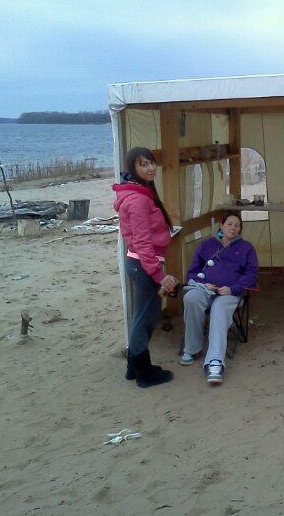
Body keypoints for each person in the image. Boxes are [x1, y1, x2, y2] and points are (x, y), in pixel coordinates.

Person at [113, 147, 178, 388]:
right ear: (133, 169)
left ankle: (134, 368)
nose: (150, 168)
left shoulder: (140, 192)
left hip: (141, 263)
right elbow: (142, 242)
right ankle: (144, 373)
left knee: (143, 315)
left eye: (151, 162)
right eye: (143, 164)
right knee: (145, 318)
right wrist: (159, 274)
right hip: (144, 265)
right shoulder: (138, 199)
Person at [180, 212, 258, 384]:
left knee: (219, 307)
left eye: (237, 225)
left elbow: (252, 274)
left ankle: (215, 361)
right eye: (229, 224)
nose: (233, 228)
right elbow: (192, 271)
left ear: (240, 229)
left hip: (230, 293)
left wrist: (233, 288)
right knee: (191, 298)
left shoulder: (246, 248)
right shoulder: (207, 245)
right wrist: (202, 283)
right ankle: (192, 348)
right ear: (221, 225)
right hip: (205, 288)